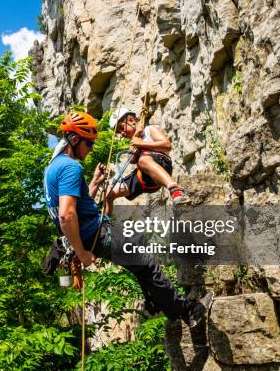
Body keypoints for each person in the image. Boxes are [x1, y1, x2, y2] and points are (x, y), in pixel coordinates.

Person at [43, 111, 212, 326]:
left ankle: (155, 301)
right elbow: (66, 215)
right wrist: (82, 253)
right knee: (147, 263)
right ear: (74, 139)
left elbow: (76, 206)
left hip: (90, 233)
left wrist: (94, 183)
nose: (91, 148)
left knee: (139, 251)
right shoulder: (70, 167)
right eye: (89, 143)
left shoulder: (52, 168)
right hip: (96, 234)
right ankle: (189, 312)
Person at [105, 108, 190, 215]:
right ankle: (104, 225)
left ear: (131, 120)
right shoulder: (135, 141)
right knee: (109, 193)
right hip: (143, 176)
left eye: (121, 128)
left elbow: (166, 145)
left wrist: (141, 144)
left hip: (161, 163)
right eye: (118, 132)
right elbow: (132, 160)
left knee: (143, 160)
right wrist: (135, 138)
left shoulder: (149, 130)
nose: (122, 133)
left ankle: (175, 190)